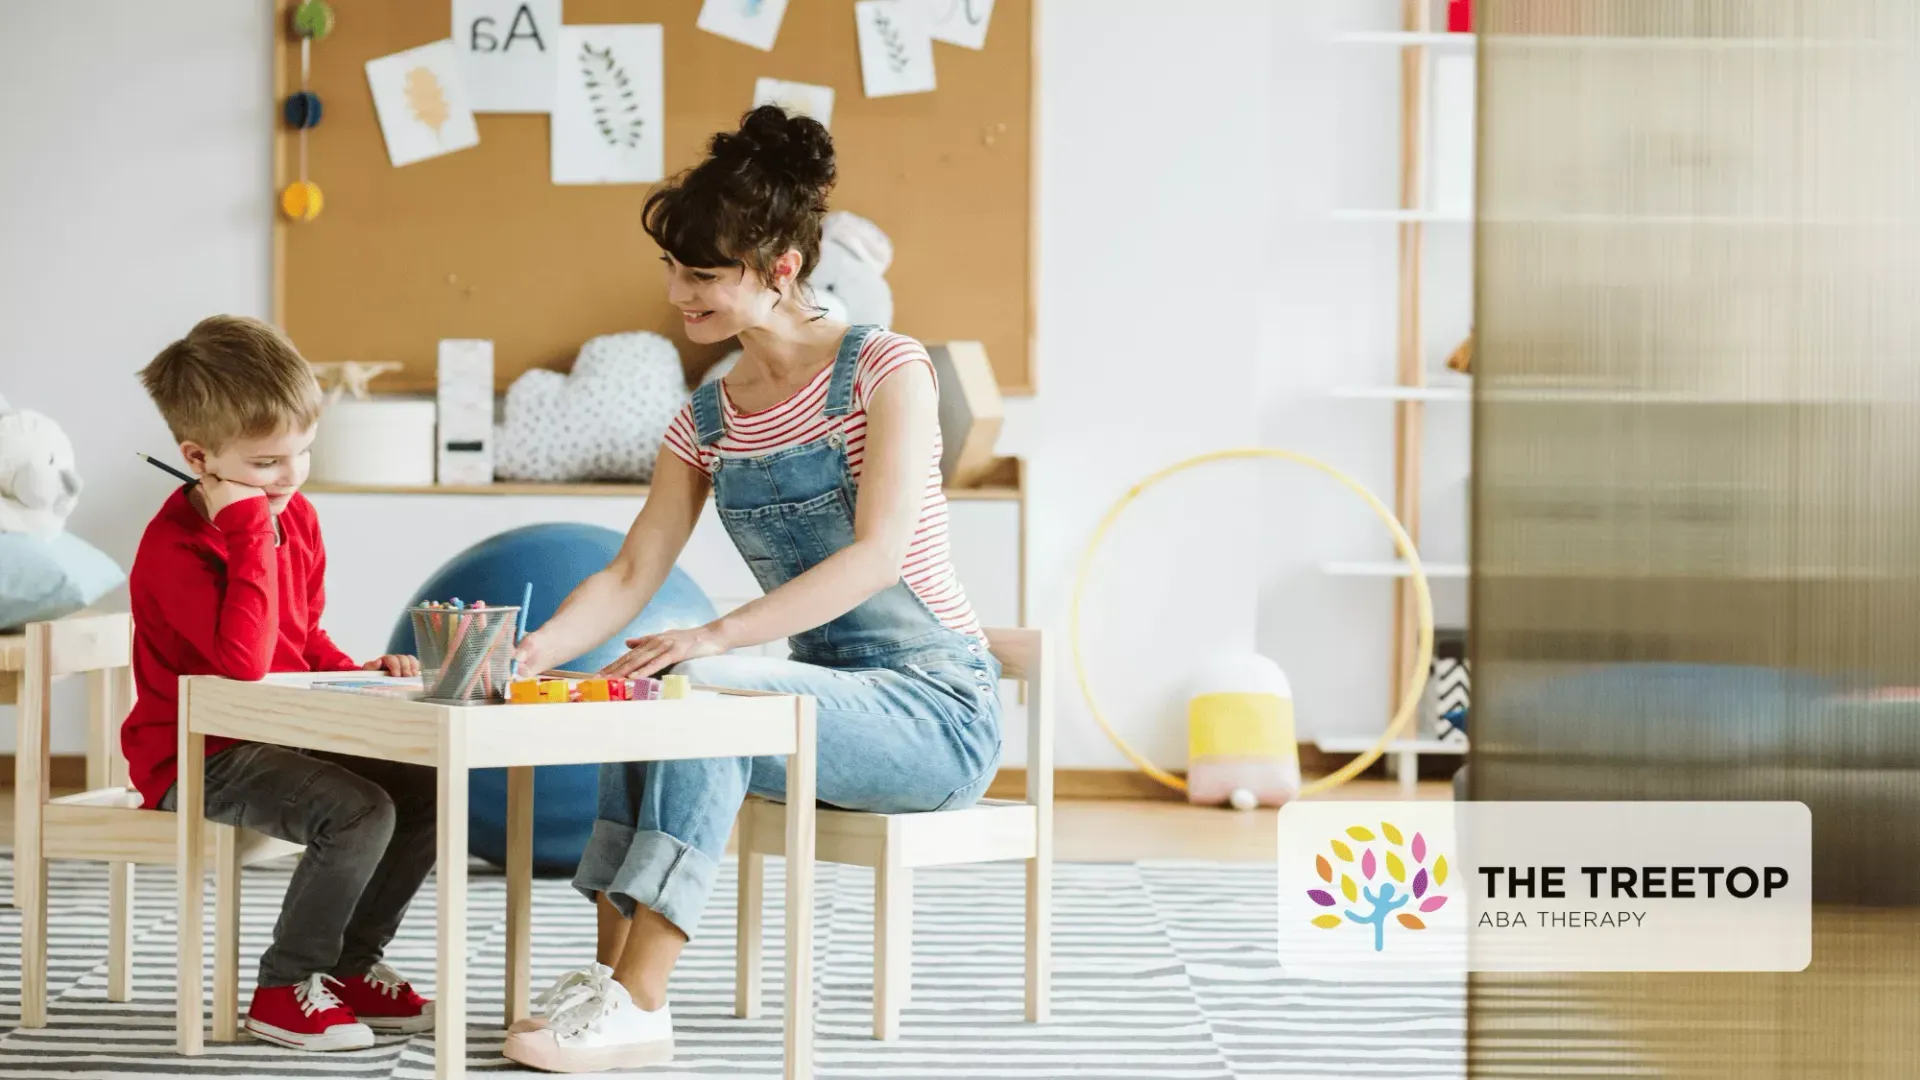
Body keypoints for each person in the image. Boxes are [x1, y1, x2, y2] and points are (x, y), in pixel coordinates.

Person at [499, 106, 1004, 1073]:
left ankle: (643, 1001)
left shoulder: (884, 368)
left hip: (934, 710)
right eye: (673, 270)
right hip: (816, 702)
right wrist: (527, 656)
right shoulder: (707, 414)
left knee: (709, 698)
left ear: (779, 267)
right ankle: (608, 984)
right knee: (642, 692)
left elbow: (878, 556)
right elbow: (630, 572)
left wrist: (719, 636)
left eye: (703, 274)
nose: (678, 293)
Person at [124, 315, 435, 1051]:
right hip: (198, 752)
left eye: (301, 451)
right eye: (266, 463)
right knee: (357, 812)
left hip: (274, 731)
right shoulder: (175, 549)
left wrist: (354, 671)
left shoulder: (295, 517)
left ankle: (349, 965)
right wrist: (248, 534)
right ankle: (283, 988)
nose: (290, 476)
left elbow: (296, 638)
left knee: (423, 787)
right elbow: (242, 667)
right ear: (199, 458)